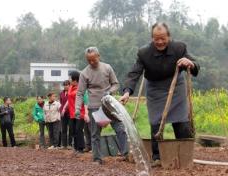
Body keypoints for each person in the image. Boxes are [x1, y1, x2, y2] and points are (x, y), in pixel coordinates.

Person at [120, 22, 200, 167]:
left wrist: (191, 63)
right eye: (156, 39)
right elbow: (134, 73)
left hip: (176, 86)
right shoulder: (144, 53)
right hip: (155, 89)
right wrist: (127, 92)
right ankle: (157, 157)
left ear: (169, 36)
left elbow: (194, 64)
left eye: (163, 38)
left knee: (181, 121)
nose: (160, 42)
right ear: (152, 38)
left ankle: (185, 155)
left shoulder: (179, 48)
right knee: (156, 122)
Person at [76, 47, 129, 165]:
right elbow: (80, 93)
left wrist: (109, 92)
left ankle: (126, 153)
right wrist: (78, 109)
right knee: (95, 134)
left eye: (93, 60)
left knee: (120, 128)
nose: (91, 62)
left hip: (109, 104)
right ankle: (97, 158)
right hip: (95, 107)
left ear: (98, 56)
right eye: (88, 60)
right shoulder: (84, 73)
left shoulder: (107, 68)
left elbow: (116, 84)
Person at [62, 71, 89, 154]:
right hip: (72, 113)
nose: (69, 79)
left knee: (78, 130)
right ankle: (76, 148)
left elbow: (85, 101)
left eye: (70, 78)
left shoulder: (81, 88)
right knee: (73, 130)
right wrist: (64, 108)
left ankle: (81, 148)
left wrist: (86, 114)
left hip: (80, 113)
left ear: (75, 80)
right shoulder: (70, 87)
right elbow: (69, 99)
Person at [59, 80, 72, 149]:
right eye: (64, 85)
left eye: (67, 85)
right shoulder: (61, 93)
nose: (65, 86)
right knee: (63, 129)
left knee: (70, 129)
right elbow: (61, 103)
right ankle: (64, 145)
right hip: (63, 114)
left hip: (70, 113)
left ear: (70, 85)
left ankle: (70, 144)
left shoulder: (71, 92)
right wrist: (61, 110)